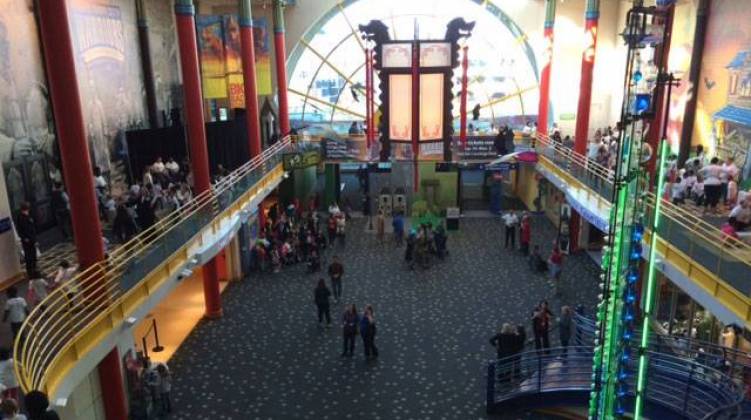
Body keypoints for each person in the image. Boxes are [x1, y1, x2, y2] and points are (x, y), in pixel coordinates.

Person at [16, 202, 37, 277]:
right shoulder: (20, 218)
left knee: (33, 255)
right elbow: (21, 230)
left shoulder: (28, 216)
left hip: (31, 239)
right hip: (27, 240)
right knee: (29, 256)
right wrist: (24, 238)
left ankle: (34, 269)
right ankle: (30, 271)